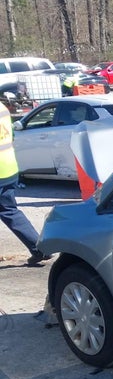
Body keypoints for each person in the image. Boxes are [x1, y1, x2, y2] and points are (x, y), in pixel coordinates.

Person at [0, 103, 51, 265]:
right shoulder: (2, 107)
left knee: (8, 210)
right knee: (9, 211)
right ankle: (39, 248)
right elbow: (11, 136)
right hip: (8, 168)